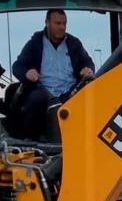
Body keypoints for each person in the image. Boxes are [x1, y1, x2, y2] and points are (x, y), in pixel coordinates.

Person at [8, 9, 94, 139]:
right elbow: (18, 66)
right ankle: (31, 139)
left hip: (70, 92)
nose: (62, 27)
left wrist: (88, 69)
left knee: (89, 99)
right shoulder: (35, 43)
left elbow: (88, 62)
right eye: (58, 23)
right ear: (47, 23)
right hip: (43, 91)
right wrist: (27, 73)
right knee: (35, 99)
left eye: (64, 23)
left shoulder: (74, 44)